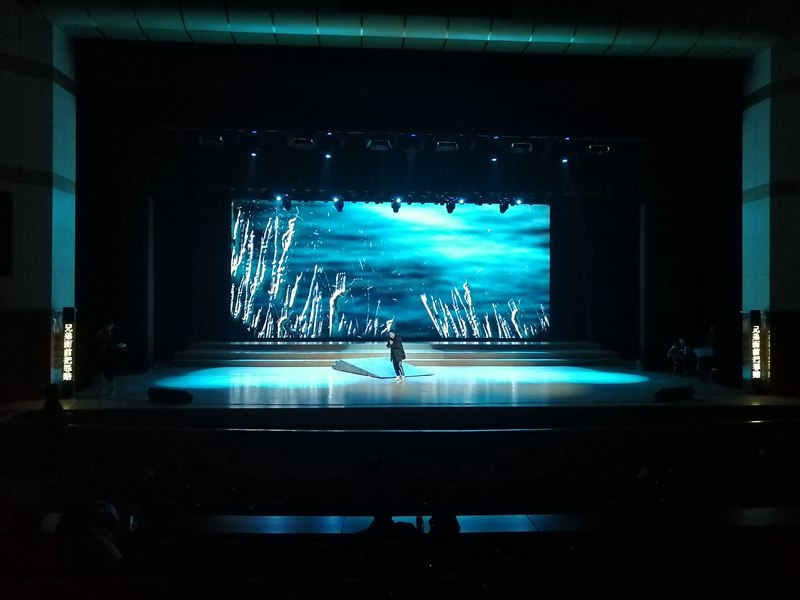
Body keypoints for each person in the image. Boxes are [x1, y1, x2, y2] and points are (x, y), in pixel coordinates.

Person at [96, 320, 124, 398]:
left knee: (109, 373)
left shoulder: (109, 334)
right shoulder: (103, 334)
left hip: (108, 356)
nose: (111, 327)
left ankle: (111, 390)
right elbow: (102, 345)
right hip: (104, 356)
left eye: (111, 325)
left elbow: (111, 345)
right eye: (110, 325)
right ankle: (105, 390)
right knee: (103, 373)